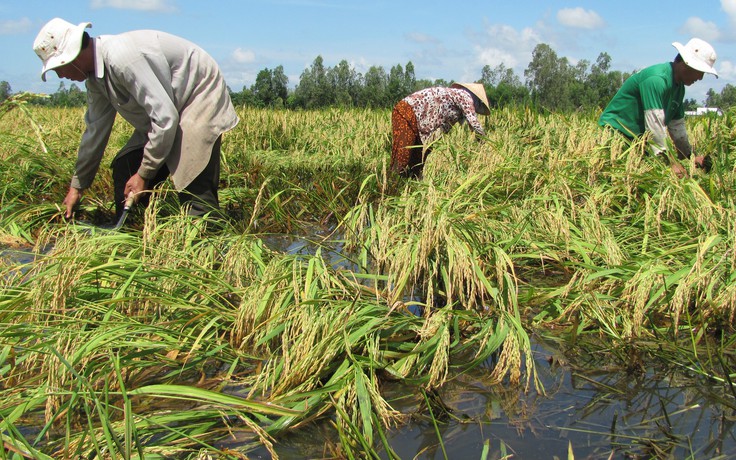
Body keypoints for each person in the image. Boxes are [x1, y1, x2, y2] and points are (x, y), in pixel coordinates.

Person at [33, 18, 239, 221]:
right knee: (127, 165)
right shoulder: (95, 80)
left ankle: (207, 236)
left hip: (197, 95)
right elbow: (95, 131)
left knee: (193, 183)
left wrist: (144, 174)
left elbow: (165, 118)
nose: (60, 75)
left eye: (58, 68)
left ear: (73, 57)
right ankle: (131, 228)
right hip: (167, 108)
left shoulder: (122, 58)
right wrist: (77, 186)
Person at [598, 38, 717, 177]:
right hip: (615, 136)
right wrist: (670, 162)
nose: (701, 78)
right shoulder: (656, 79)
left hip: (638, 142)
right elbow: (654, 125)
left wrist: (691, 158)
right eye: (700, 71)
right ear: (686, 64)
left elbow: (678, 128)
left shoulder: (678, 89)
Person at [391, 82, 490, 178]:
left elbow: (447, 126)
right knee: (402, 156)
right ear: (477, 99)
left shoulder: (457, 100)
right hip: (407, 111)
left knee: (418, 159)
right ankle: (390, 187)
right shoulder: (465, 96)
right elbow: (474, 124)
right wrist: (485, 145)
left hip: (420, 122)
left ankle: (410, 187)